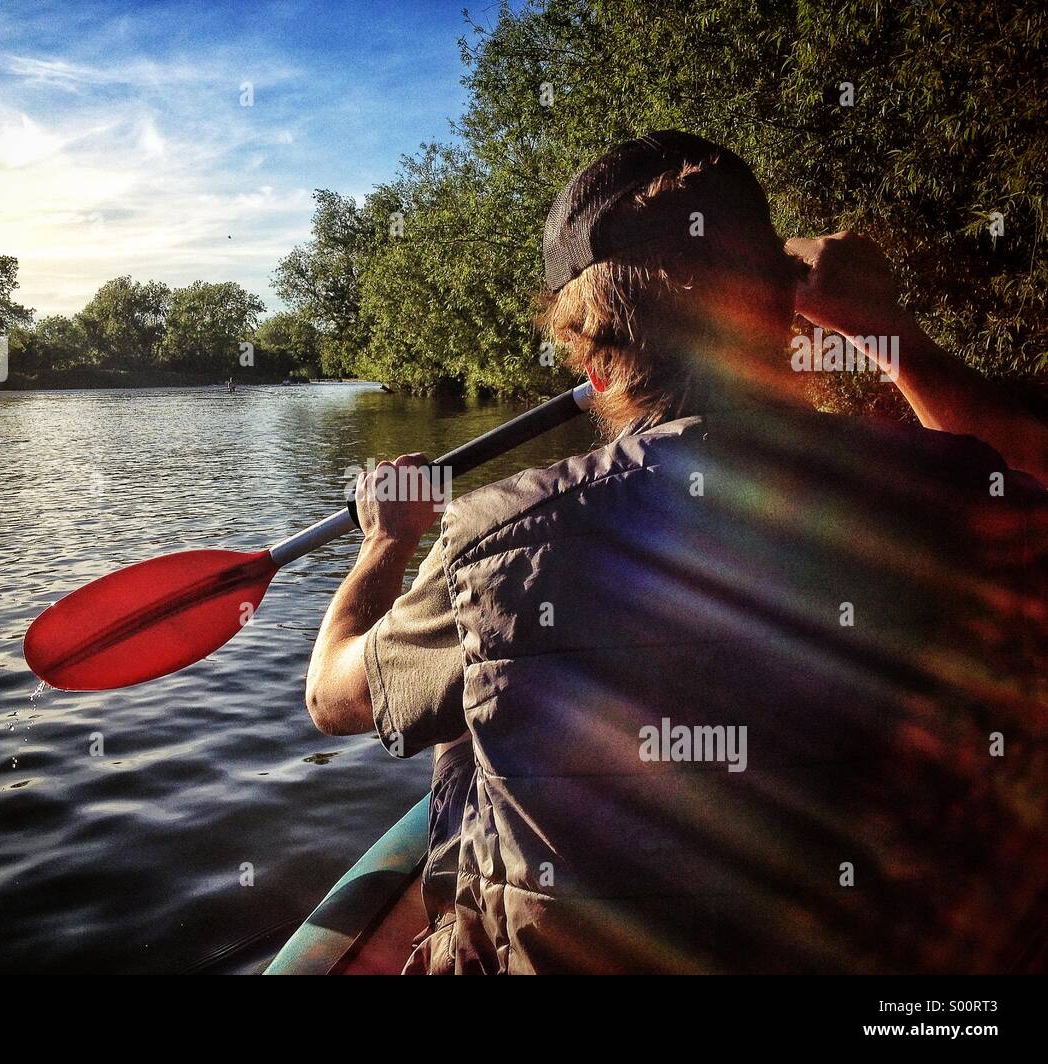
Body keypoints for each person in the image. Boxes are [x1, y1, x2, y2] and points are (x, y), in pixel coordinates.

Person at [305, 131, 1047, 974]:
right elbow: (1020, 475)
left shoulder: (492, 538)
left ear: (587, 347)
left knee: (465, 717)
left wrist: (385, 544)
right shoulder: (951, 493)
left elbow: (332, 698)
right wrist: (890, 333)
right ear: (783, 306)